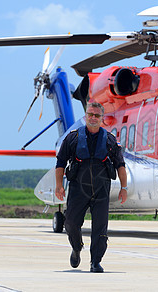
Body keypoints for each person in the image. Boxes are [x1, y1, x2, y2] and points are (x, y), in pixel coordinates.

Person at [55, 102, 127, 273]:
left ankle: (95, 261)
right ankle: (77, 247)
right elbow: (60, 163)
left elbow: (120, 165)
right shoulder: (72, 138)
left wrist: (124, 187)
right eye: (90, 114)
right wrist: (59, 185)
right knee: (71, 223)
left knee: (100, 228)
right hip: (78, 190)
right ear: (85, 116)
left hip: (101, 191)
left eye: (97, 115)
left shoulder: (109, 140)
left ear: (102, 118)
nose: (93, 118)